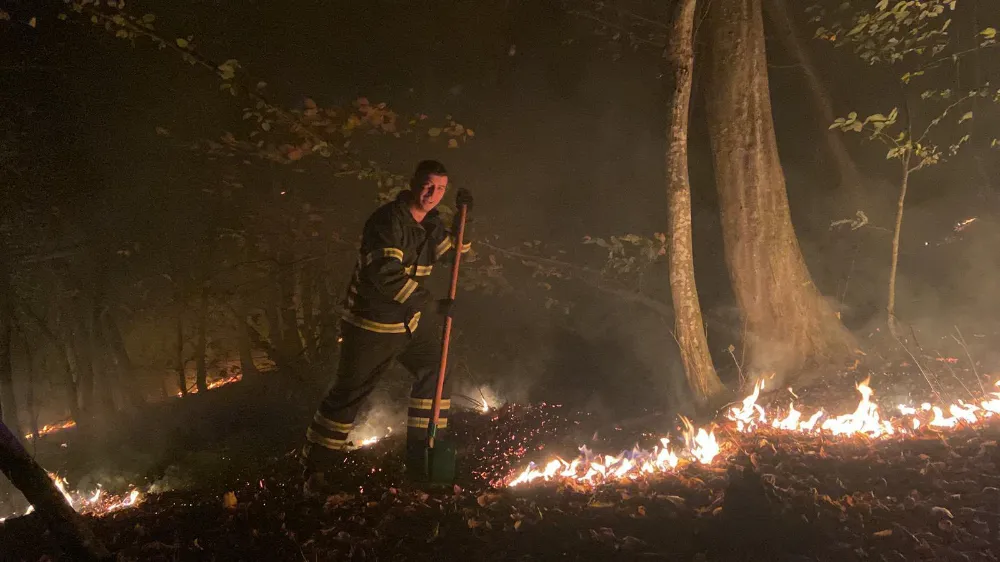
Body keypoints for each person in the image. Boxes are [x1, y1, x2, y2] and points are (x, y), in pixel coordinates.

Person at [300, 159, 473, 496]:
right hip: (372, 324)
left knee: (436, 368)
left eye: (439, 188)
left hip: (408, 321)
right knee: (349, 394)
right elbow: (384, 274)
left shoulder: (431, 223)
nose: (431, 193)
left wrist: (463, 218)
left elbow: (456, 257)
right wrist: (432, 305)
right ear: (412, 182)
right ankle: (316, 471)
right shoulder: (387, 221)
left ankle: (422, 454)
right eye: (427, 185)